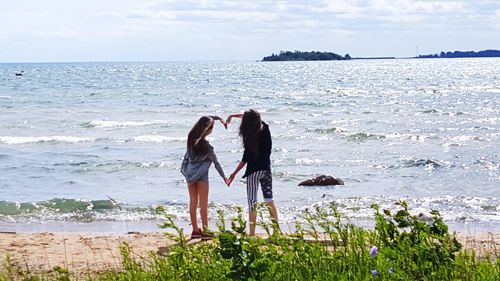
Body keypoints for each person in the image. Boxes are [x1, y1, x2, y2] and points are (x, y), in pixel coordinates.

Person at [226, 109, 279, 236]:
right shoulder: (265, 130)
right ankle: (276, 232)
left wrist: (233, 174)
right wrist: (233, 115)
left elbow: (245, 159)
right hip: (266, 170)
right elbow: (250, 117)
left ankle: (252, 234)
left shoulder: (249, 137)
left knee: (252, 202)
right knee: (269, 200)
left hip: (253, 173)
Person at [181, 115, 228, 240]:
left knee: (193, 202)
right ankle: (206, 232)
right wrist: (224, 177)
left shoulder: (190, 139)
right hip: (202, 177)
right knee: (203, 205)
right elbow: (216, 163)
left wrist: (218, 118)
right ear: (207, 130)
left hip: (190, 175)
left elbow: (207, 119)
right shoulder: (207, 147)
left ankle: (195, 231)